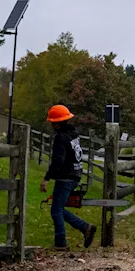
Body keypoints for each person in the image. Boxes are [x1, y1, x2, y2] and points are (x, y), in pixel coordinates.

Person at [38, 104, 97, 249]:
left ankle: (61, 242)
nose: (51, 124)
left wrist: (46, 178)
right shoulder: (73, 133)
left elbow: (58, 161)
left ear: (57, 123)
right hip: (76, 174)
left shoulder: (60, 138)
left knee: (56, 210)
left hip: (66, 176)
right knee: (58, 208)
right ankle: (84, 228)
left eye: (52, 122)